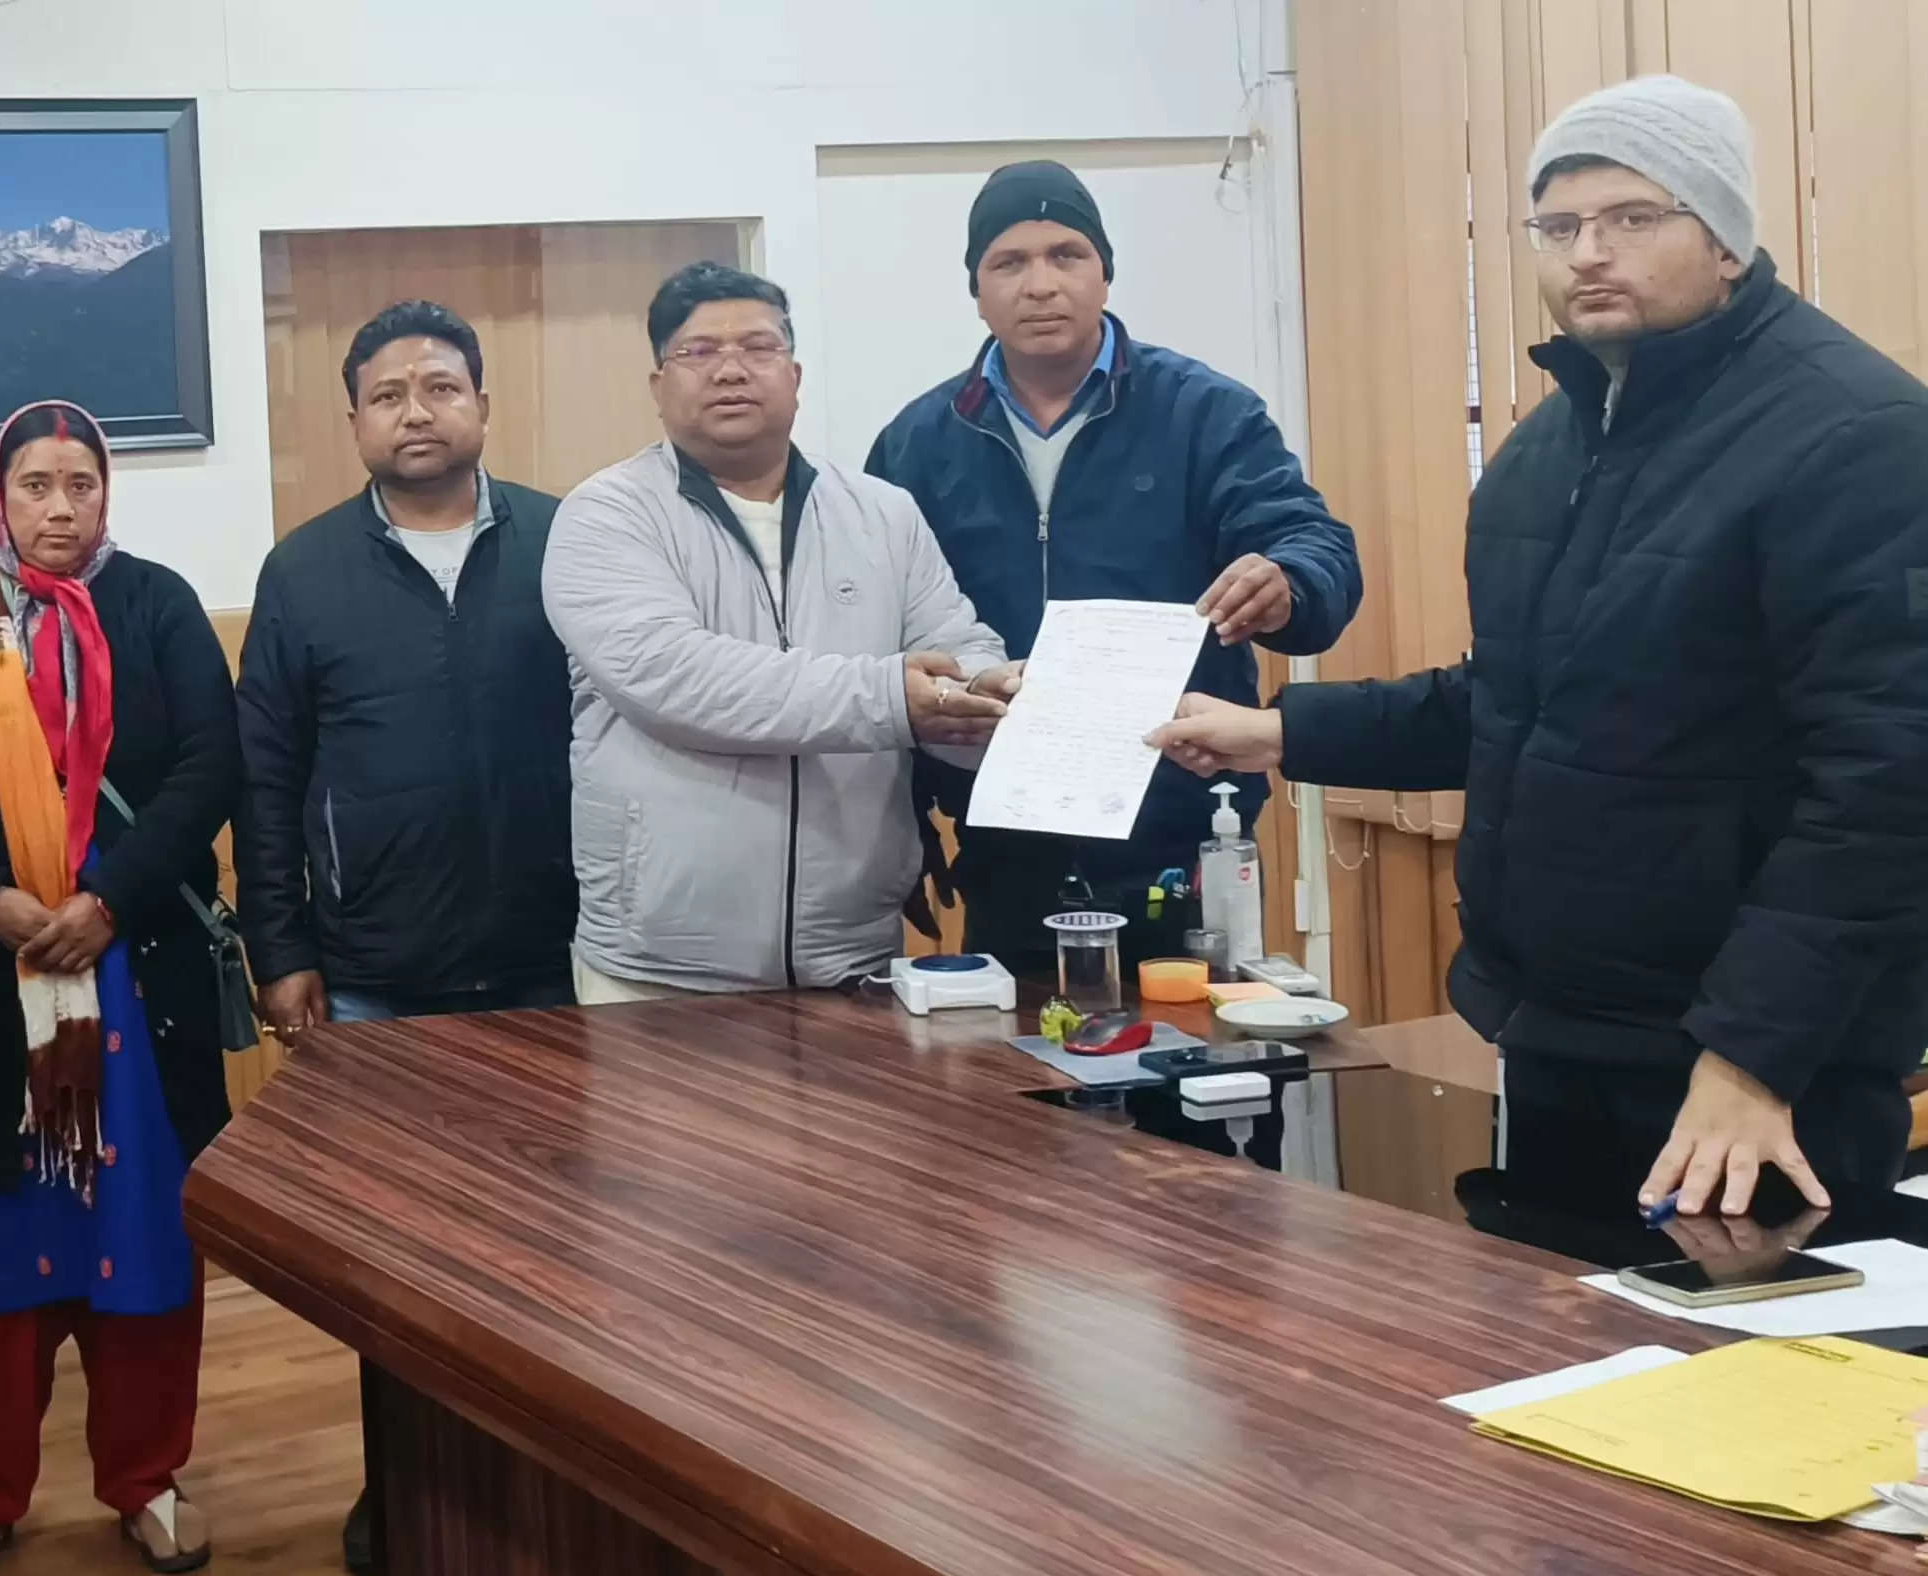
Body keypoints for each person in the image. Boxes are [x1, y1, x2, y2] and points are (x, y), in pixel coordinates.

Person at [1149, 75, 1928, 1269]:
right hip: (1561, 1033)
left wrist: (1750, 1057)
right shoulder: (1546, 447)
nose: (1587, 253)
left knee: (1740, 1385)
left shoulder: (1856, 436)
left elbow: (1884, 788)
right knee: (1554, 1366)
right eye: (1557, 227)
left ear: (1726, 238)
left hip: (1753, 1074)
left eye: (1632, 217)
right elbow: (1513, 704)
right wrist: (1279, 732)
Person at [0, 400, 241, 1576]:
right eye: (36, 484)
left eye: (81, 484)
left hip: (131, 982)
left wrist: (110, 899)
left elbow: (208, 767)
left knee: (145, 1236)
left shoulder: (158, 604)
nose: (60, 507)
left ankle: (146, 1475)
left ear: (106, 492)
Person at [234, 300, 572, 1576]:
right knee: (399, 1257)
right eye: (388, 393)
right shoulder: (303, 570)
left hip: (557, 959)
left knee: (552, 1248)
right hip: (376, 969)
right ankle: (408, 1483)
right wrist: (281, 947)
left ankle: (549, 1482)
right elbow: (266, 779)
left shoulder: (568, 541)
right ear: (354, 420)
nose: (415, 411)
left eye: (439, 386)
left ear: (483, 403)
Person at [867, 160, 1361, 973]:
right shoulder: (917, 442)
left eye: (1066, 254)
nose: (1040, 284)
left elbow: (1311, 540)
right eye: (1008, 261)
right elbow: (880, 635)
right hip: (1002, 838)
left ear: (1105, 272)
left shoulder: (1203, 413)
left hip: (1179, 825)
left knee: (1198, 1050)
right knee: (1013, 1054)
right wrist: (907, 817)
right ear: (975, 289)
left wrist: (1289, 581)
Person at [543, 262, 1010, 1001]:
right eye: (699, 351)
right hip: (659, 970)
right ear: (658, 384)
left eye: (758, 347)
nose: (730, 369)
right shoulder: (606, 515)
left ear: (794, 376)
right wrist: (894, 697)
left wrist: (988, 690)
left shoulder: (882, 513)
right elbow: (676, 679)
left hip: (853, 955)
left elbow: (955, 644)